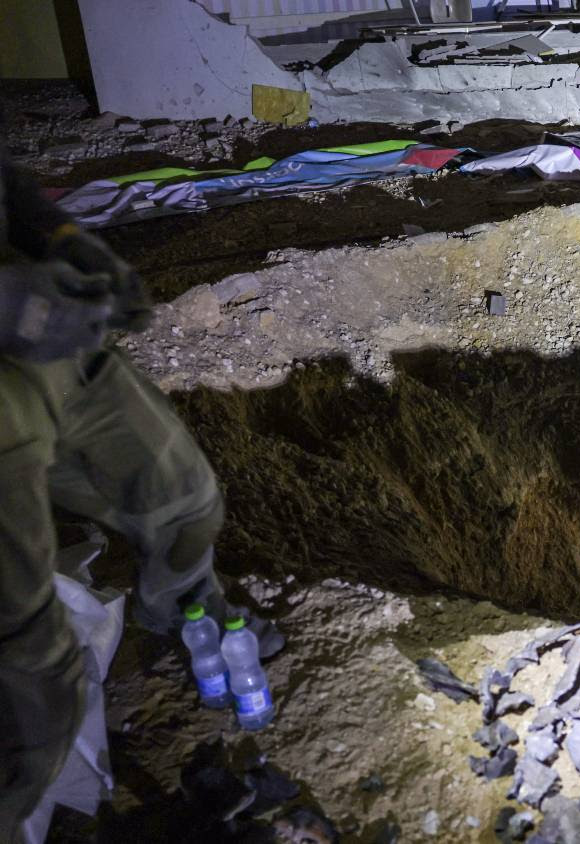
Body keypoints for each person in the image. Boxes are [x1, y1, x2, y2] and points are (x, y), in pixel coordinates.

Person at [0, 149, 282, 838]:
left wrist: (59, 239)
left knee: (183, 500)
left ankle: (183, 617)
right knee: (33, 666)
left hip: (45, 337)